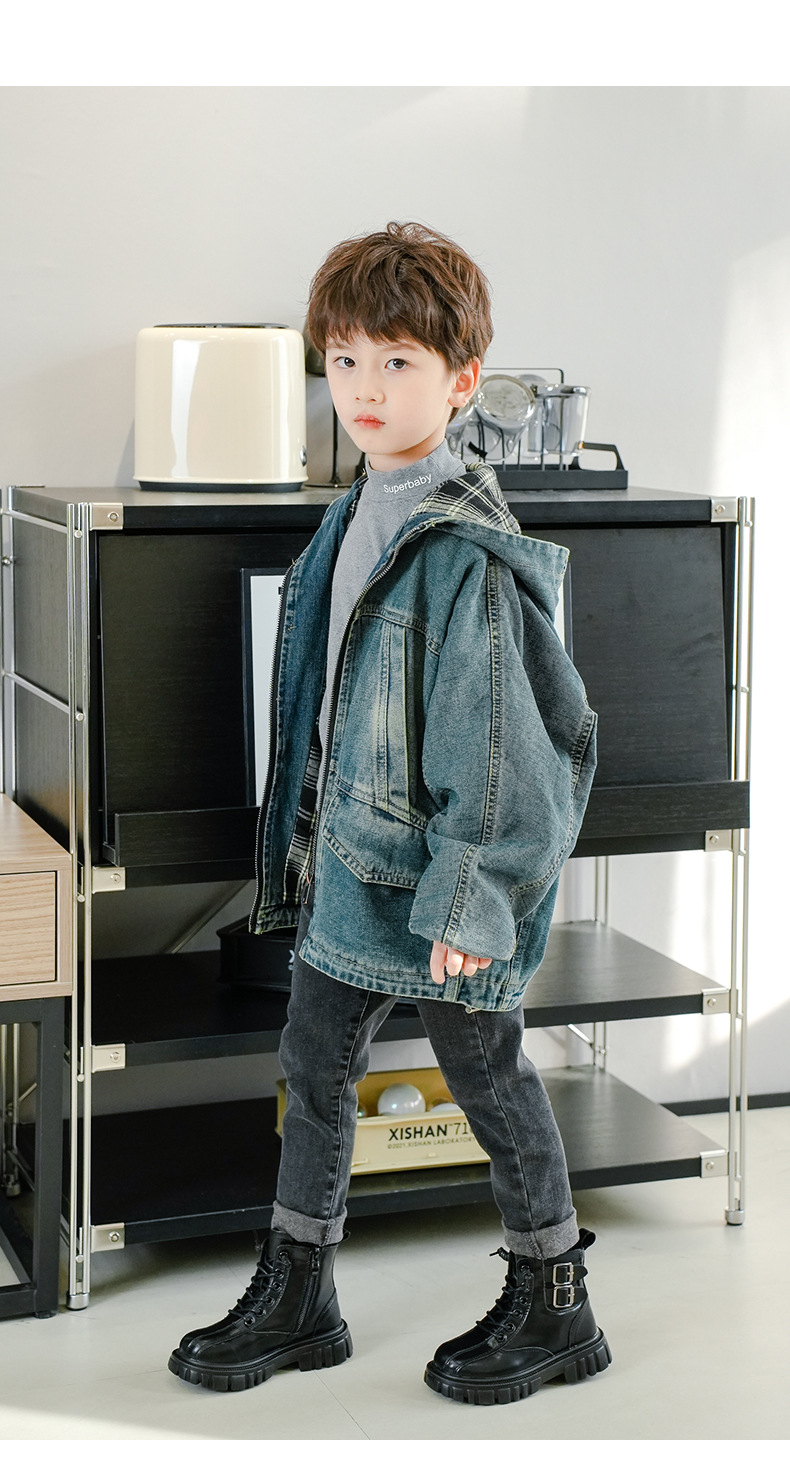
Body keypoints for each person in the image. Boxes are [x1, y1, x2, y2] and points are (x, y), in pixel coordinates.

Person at [169, 221, 611, 1404]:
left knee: (487, 1076)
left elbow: (503, 740)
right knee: (312, 1064)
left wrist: (473, 893)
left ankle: (555, 1297)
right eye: (346, 359)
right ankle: (299, 1291)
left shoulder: (467, 550)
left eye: (397, 361)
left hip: (437, 886)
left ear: (463, 380)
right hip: (354, 867)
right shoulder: (357, 508)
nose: (364, 387)